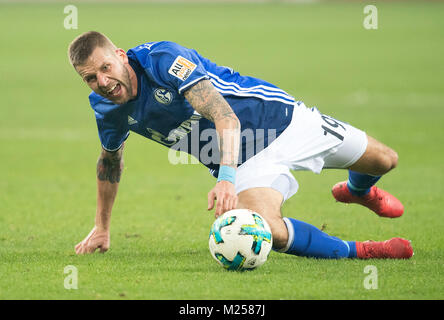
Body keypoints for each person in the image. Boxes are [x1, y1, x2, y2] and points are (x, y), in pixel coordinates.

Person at [69, 31, 413, 260]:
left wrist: (226, 179)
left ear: (120, 55)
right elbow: (109, 164)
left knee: (385, 160)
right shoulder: (106, 109)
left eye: (106, 67)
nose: (103, 82)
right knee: (270, 231)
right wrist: (101, 227)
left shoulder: (163, 60)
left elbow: (225, 117)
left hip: (283, 120)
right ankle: (362, 251)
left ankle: (358, 191)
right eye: (90, 78)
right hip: (245, 162)